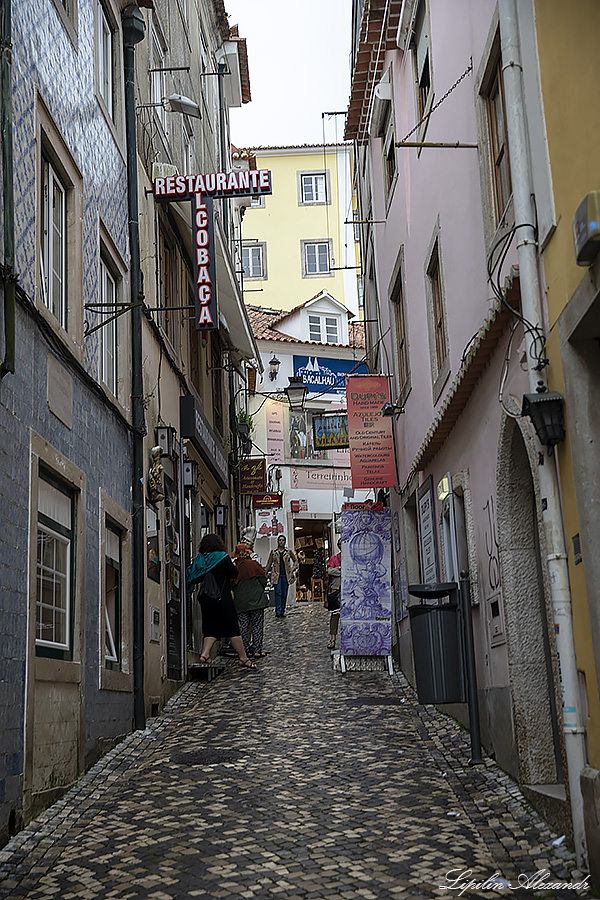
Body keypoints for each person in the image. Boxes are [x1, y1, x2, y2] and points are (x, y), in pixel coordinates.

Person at [187, 534, 257, 669]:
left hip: (206, 598)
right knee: (232, 628)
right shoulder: (222, 557)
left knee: (211, 627)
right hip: (222, 597)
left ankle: (205, 654)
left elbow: (195, 577)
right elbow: (234, 572)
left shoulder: (201, 559)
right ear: (218, 544)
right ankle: (243, 658)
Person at [232, 544, 269, 657]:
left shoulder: (235, 568)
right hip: (256, 600)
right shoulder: (254, 565)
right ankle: (257, 650)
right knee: (257, 625)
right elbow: (263, 580)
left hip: (241, 602)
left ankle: (245, 650)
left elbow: (232, 584)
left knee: (243, 626)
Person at [265, 534, 298, 618]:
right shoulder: (273, 552)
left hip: (286, 575)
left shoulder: (288, 551)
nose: (281, 542)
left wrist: (292, 569)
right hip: (277, 575)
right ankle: (278, 610)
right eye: (280, 540)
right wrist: (265, 572)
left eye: (283, 540)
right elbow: (269, 563)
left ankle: (282, 610)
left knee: (284, 593)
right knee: (278, 592)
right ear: (278, 541)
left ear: (285, 541)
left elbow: (295, 561)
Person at [326, 540, 342, 649]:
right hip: (336, 589)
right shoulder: (334, 558)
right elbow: (330, 571)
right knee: (335, 615)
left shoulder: (352, 556)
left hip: (350, 589)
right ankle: (333, 639)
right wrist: (341, 570)